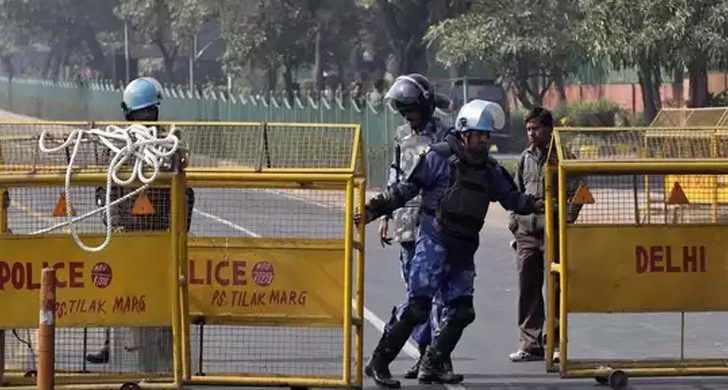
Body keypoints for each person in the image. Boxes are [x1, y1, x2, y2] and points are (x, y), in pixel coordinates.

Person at [358, 99, 545, 388]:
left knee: (462, 310)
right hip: (434, 243)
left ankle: (433, 362)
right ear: (463, 132)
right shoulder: (438, 157)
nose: (485, 140)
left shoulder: (490, 170)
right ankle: (379, 362)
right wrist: (375, 209)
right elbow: (407, 188)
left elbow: (512, 198)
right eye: (480, 134)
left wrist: (539, 204)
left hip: (464, 248)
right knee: (417, 307)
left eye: (488, 135)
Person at [86, 77, 195, 372]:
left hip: (147, 234)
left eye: (149, 113)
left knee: (124, 286)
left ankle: (141, 345)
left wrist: (112, 222)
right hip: (148, 234)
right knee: (134, 288)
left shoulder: (165, 146)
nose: (147, 118)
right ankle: (125, 343)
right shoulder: (130, 145)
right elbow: (106, 190)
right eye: (146, 113)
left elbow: (103, 191)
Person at [373, 74, 449, 380]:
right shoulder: (401, 135)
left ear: (425, 106)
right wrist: (384, 217)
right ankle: (422, 353)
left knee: (441, 294)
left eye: (412, 109)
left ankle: (439, 357)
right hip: (405, 222)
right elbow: (394, 176)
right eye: (404, 110)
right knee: (414, 294)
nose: (408, 116)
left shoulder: (445, 134)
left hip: (436, 223)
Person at [507, 107, 580, 362]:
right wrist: (514, 224)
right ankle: (530, 344)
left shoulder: (562, 156)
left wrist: (566, 218)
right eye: (528, 129)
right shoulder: (525, 158)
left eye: (536, 128)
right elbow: (514, 193)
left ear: (549, 129)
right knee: (527, 287)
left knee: (556, 288)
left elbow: (578, 191)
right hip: (527, 232)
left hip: (553, 231)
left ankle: (556, 344)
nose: (531, 133)